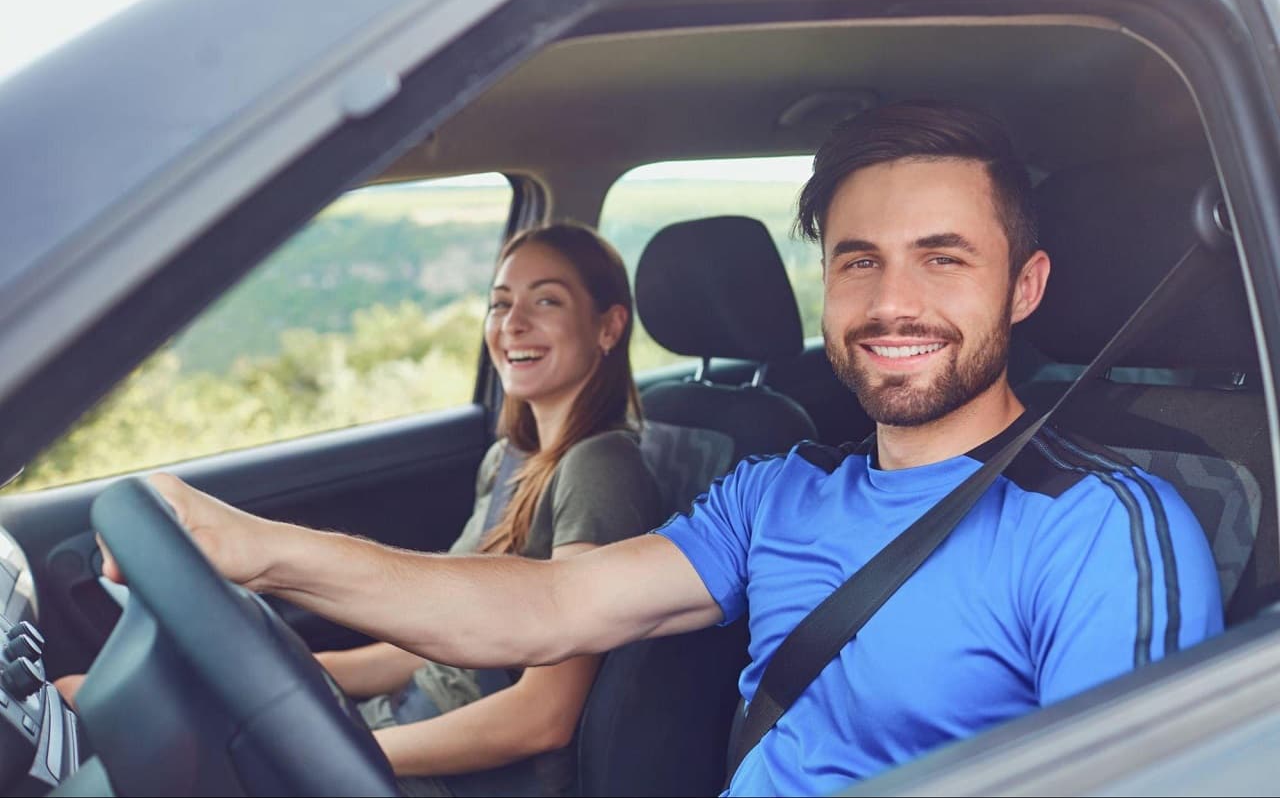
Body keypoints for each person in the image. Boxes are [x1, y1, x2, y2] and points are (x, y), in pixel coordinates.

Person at [110, 100, 1223, 797]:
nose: (892, 302)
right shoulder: (777, 493)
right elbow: (540, 609)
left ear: (1022, 287)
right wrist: (252, 548)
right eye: (855, 261)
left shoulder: (1103, 529)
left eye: (942, 259)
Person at [71, 222, 667, 798]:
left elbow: (543, 717)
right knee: (123, 717)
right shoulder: (511, 458)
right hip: (411, 725)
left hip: (466, 776)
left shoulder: (599, 466)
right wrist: (307, 672)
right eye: (500, 302)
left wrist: (361, 748)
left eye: (547, 302)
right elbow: (435, 635)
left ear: (609, 327)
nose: (513, 323)